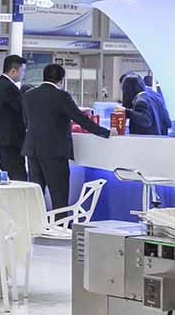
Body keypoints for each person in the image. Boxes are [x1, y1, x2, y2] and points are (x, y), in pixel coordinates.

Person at [22, 63, 110, 211]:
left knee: (35, 196)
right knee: (59, 197)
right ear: (61, 80)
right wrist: (105, 132)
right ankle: (60, 224)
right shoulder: (61, 96)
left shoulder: (29, 95)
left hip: (32, 150)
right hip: (54, 152)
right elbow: (81, 120)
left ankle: (35, 223)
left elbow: (26, 120)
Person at [0, 54, 27, 181]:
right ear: (13, 71)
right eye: (22, 71)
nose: (23, 74)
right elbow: (21, 111)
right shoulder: (9, 88)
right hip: (9, 142)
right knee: (17, 179)